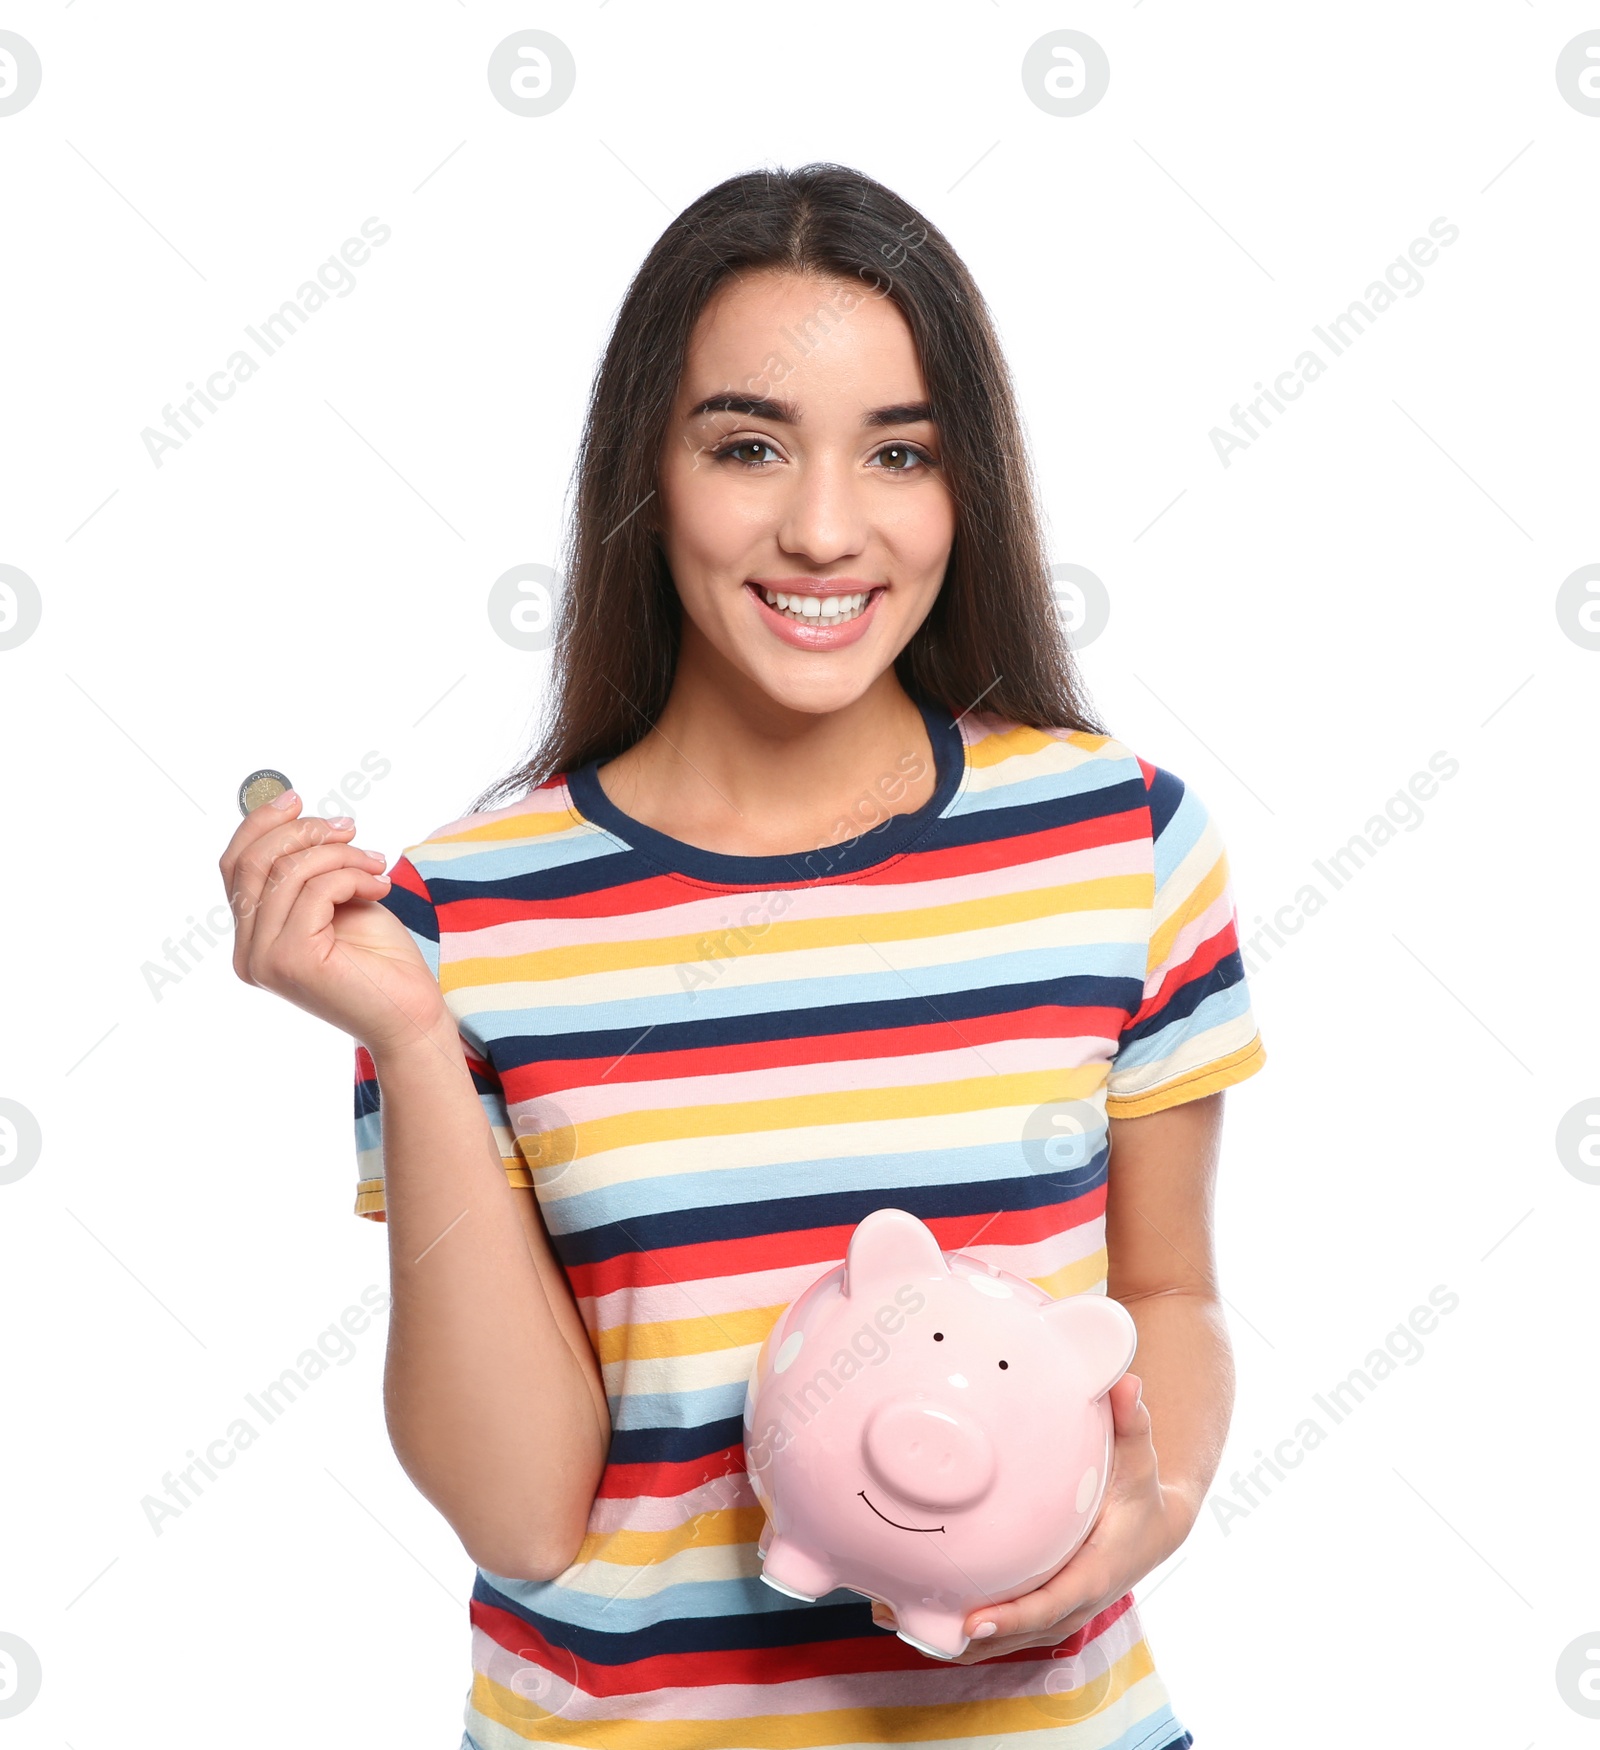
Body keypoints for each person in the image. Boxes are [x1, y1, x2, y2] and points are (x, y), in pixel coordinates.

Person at [219, 162, 1266, 1749]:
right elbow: (522, 1517)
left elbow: (1170, 1288)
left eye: (899, 451)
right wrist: (416, 1040)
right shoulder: (462, 919)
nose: (827, 528)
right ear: (650, 470)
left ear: (964, 483)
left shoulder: (1119, 840)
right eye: (750, 444)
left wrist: (1155, 1503)